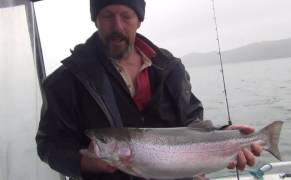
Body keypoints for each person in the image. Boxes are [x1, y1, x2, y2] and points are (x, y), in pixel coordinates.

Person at [36, 0, 262, 180]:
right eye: (107, 16)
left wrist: (225, 135)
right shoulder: (65, 81)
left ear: (138, 20)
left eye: (126, 16)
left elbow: (192, 122)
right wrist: (83, 163)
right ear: (95, 20)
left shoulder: (170, 67)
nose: (117, 27)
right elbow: (49, 145)